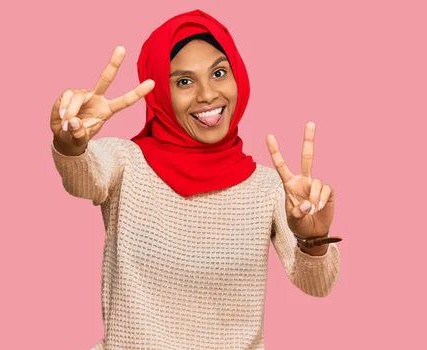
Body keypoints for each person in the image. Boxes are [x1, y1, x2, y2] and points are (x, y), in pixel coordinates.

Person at [50, 9, 342, 350]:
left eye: (219, 72)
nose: (207, 95)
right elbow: (83, 179)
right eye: (184, 81)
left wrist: (315, 240)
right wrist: (70, 142)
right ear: (160, 93)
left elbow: (317, 285)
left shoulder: (269, 189)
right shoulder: (127, 162)